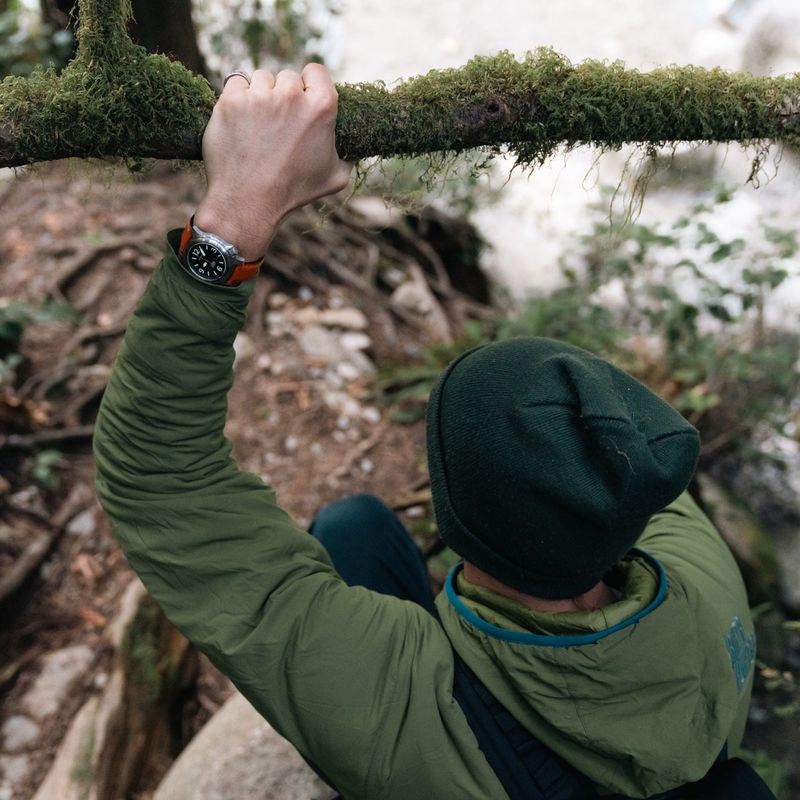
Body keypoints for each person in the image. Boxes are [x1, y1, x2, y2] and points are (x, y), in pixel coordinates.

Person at [93, 64, 765, 799]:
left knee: (349, 530)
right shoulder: (708, 584)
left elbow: (156, 476)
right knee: (356, 528)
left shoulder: (396, 710)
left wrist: (240, 210)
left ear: (454, 519)